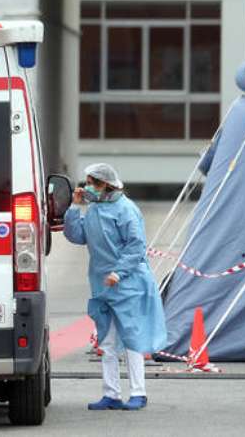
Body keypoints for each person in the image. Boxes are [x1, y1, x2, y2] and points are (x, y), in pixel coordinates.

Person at [63, 163, 167, 411]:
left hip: (128, 283)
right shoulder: (94, 209)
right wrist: (75, 207)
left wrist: (118, 273)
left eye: (93, 183)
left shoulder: (126, 210)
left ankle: (138, 393)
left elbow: (135, 247)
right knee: (107, 343)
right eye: (87, 182)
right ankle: (111, 394)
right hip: (103, 285)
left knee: (132, 338)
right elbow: (77, 236)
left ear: (108, 185)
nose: (89, 187)